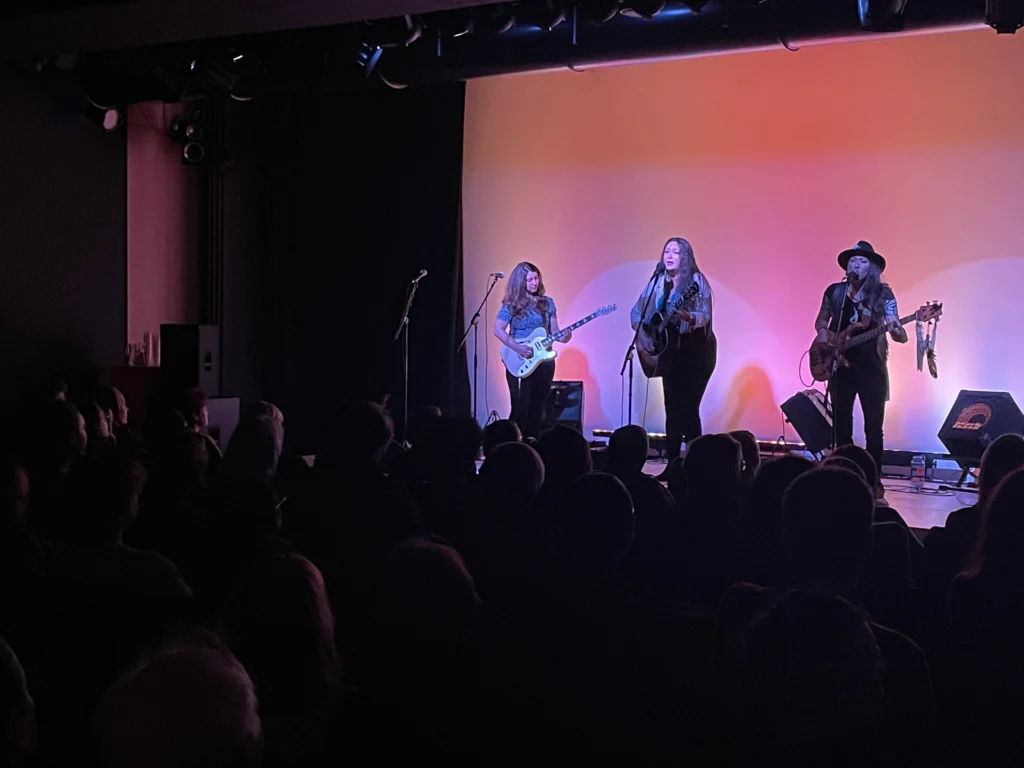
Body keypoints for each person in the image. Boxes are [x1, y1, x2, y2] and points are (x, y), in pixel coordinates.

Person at [814, 241, 907, 484]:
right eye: (852, 260)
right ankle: (842, 476)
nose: (855, 264)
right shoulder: (835, 291)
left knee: (873, 427)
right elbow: (822, 319)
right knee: (841, 424)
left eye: (862, 260)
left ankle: (874, 481)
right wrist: (823, 336)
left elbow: (896, 327)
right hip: (840, 365)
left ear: (872, 267)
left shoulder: (883, 294)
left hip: (871, 368)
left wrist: (897, 330)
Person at [631, 238, 716, 475]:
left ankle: (695, 467)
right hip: (671, 353)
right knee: (672, 409)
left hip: (697, 351)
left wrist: (689, 317)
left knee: (689, 409)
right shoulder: (658, 282)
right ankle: (673, 464)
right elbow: (636, 312)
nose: (669, 256)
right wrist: (643, 336)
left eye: (675, 252)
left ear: (685, 257)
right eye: (666, 251)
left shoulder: (696, 282)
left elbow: (705, 315)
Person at [493, 262, 571, 439]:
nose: (534, 283)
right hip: (520, 360)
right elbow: (498, 329)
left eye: (536, 278)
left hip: (544, 360)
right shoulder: (512, 304)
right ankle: (513, 444)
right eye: (529, 280)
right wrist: (518, 348)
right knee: (520, 406)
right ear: (520, 282)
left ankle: (532, 443)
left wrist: (565, 336)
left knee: (538, 405)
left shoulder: (547, 303)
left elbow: (555, 331)